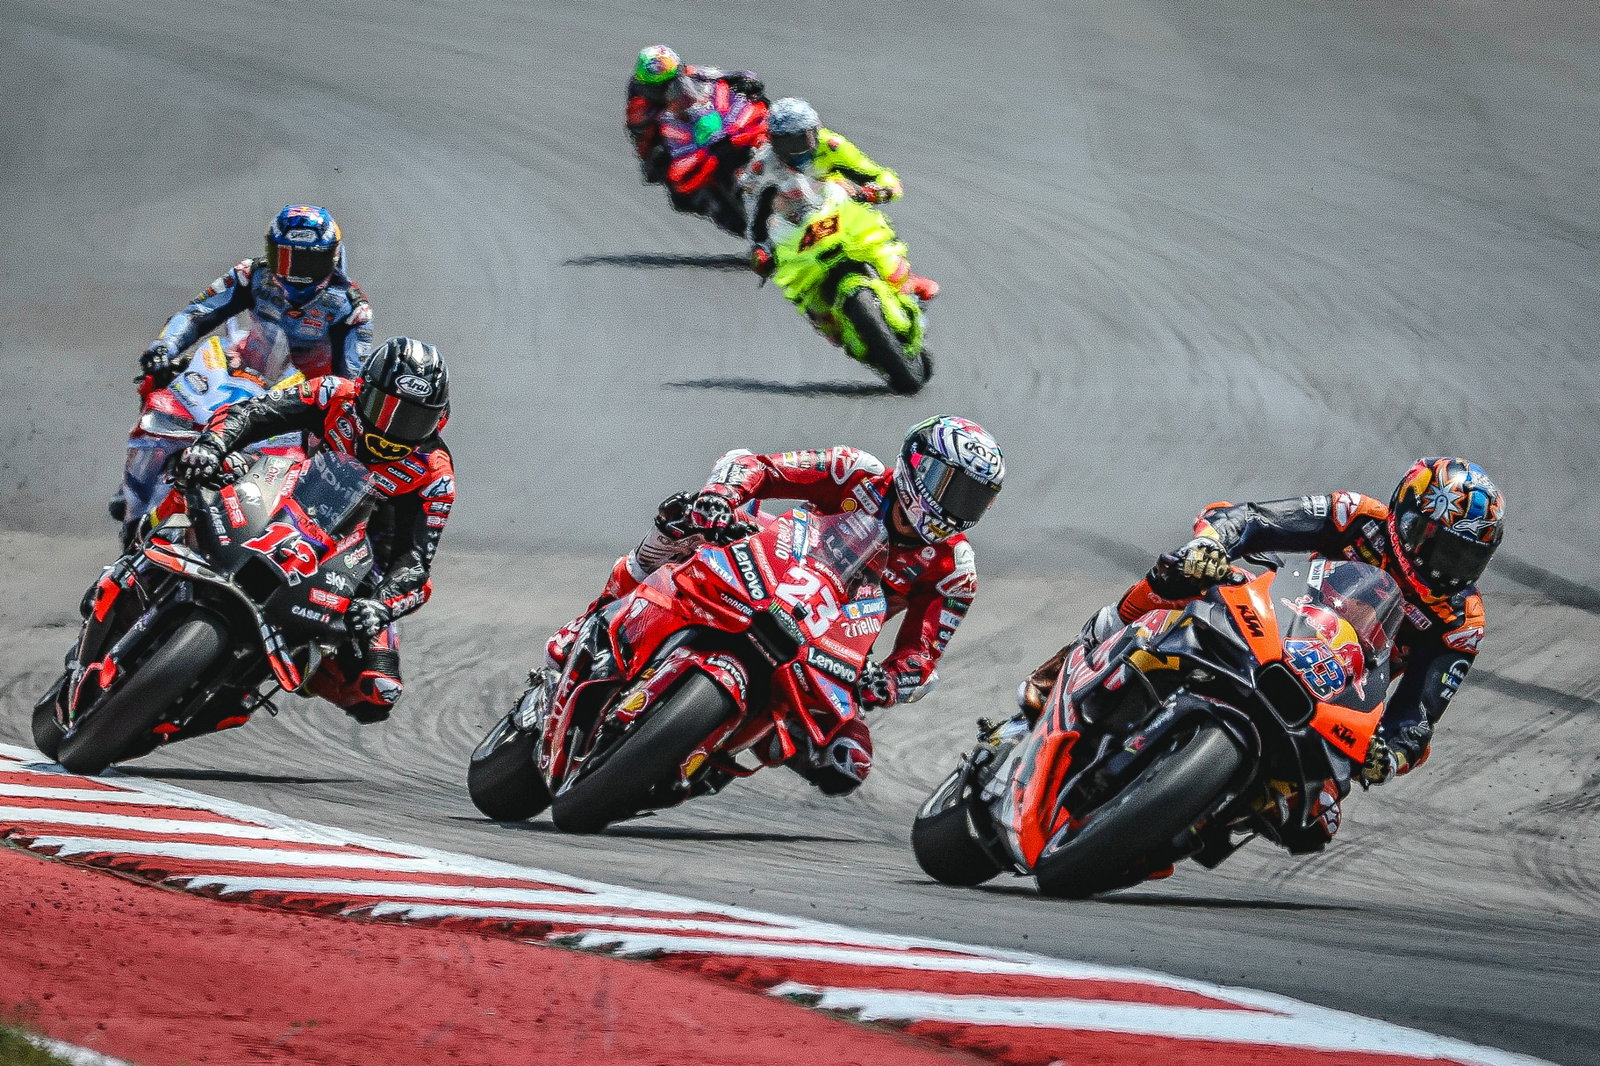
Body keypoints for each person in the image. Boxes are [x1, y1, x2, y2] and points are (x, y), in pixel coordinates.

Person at [1017, 457, 1504, 851]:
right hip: (1277, 622)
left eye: (1467, 558)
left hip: (1336, 694)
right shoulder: (1353, 516)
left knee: (1315, 822)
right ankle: (1071, 662)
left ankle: (1188, 818)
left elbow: (1418, 714)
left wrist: (1390, 755)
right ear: (1409, 519)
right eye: (1443, 548)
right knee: (1181, 576)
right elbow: (1251, 520)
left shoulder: (1461, 621)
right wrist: (1211, 544)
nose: (1450, 569)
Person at [545, 416, 1005, 794]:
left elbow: (921, 656)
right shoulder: (856, 470)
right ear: (917, 466)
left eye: (975, 498)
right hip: (771, 564)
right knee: (681, 522)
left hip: (829, 639)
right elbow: (757, 467)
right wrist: (720, 500)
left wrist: (885, 681)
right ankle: (593, 619)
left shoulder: (954, 569)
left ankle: (714, 760)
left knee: (848, 763)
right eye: (952, 486)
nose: (959, 506)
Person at [163, 337, 454, 724]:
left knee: (377, 691)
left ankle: (296, 666)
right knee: (196, 471)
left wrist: (381, 605)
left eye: (412, 419)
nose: (392, 430)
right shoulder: (334, 394)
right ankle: (148, 545)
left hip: (357, 559)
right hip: (278, 486)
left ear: (439, 419)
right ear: (364, 390)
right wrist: (212, 446)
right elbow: (251, 414)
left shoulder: (434, 474)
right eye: (384, 410)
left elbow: (416, 563)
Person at [116, 205, 373, 531]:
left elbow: (350, 377)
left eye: (308, 261)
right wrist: (163, 347)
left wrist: (327, 418)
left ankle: (292, 531)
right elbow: (198, 312)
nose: (294, 271)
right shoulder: (252, 274)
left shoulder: (352, 307)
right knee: (160, 380)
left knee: (335, 454)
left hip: (300, 399)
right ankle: (136, 491)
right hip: (242, 369)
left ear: (332, 259)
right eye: (284, 257)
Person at [740, 97, 938, 345]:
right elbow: (753, 211)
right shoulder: (762, 166)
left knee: (874, 226)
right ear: (773, 140)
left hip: (838, 210)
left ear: (815, 130)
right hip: (795, 228)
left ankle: (903, 278)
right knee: (796, 284)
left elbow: (875, 173)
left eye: (802, 139)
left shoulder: (832, 145)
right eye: (786, 142)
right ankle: (825, 319)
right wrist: (760, 248)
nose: (796, 149)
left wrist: (878, 190)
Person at [625, 45, 766, 185]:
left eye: (675, 81)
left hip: (703, 118)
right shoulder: (638, 108)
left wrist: (744, 79)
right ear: (646, 87)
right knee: (665, 177)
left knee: (757, 102)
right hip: (680, 141)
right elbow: (643, 147)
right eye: (661, 88)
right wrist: (653, 158)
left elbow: (719, 74)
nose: (671, 90)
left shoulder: (687, 72)